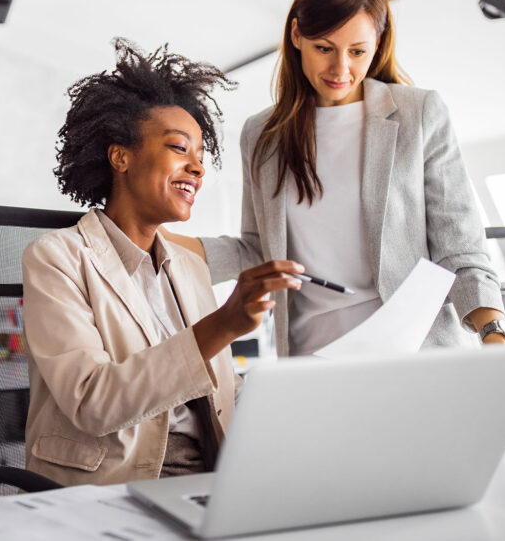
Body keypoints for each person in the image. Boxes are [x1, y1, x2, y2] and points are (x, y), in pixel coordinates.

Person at [163, 0, 505, 441]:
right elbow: (257, 251)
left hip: (417, 365)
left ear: (378, 43)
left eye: (357, 51)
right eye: (324, 48)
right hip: (315, 371)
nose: (341, 69)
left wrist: (497, 337)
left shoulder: (419, 114)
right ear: (296, 35)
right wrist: (153, 240)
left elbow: (460, 249)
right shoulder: (262, 135)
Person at [21, 39, 303, 487]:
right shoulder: (56, 259)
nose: (198, 168)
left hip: (209, 477)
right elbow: (93, 402)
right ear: (121, 157)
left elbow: (220, 391)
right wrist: (224, 324)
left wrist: (295, 405)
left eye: (201, 156)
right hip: (116, 485)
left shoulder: (189, 266)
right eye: (179, 148)